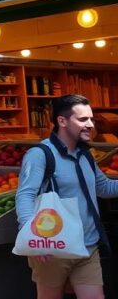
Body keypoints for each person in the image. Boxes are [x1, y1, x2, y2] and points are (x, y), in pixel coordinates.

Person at [16, 94, 118, 299]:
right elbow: (25, 195)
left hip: (88, 246)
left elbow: (104, 188)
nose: (90, 124)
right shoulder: (40, 154)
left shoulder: (85, 154)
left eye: (90, 119)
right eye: (82, 120)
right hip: (54, 247)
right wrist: (34, 239)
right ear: (61, 121)